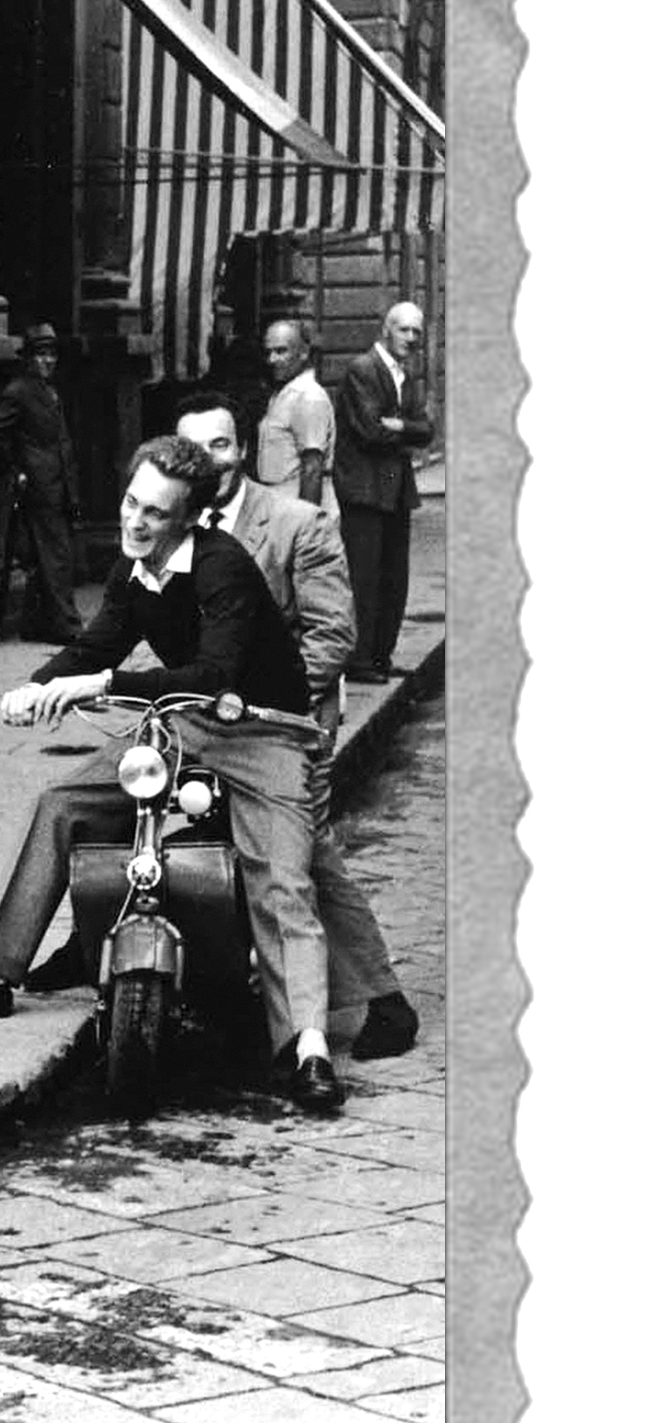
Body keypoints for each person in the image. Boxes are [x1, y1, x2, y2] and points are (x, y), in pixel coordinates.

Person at [0, 434, 345, 1113]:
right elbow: (100, 639)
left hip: (262, 732)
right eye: (132, 503)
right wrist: (39, 685)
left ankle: (307, 1048)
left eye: (155, 513)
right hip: (182, 726)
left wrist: (101, 684)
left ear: (189, 518)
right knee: (62, 803)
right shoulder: (133, 566)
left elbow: (211, 674)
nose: (135, 521)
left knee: (283, 881)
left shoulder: (221, 566)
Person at [174, 394, 419, 1061]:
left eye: (220, 445)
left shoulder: (295, 522)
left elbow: (332, 633)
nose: (208, 461)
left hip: (288, 719)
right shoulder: (175, 522)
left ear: (243, 450)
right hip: (210, 718)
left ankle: (385, 1003)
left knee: (304, 852)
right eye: (193, 449)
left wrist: (260, 703)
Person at [333, 301, 436, 683]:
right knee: (365, 578)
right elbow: (370, 431)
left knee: (394, 578)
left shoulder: (405, 374)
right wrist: (405, 429)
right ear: (386, 330)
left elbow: (427, 431)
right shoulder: (363, 369)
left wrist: (400, 426)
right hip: (363, 489)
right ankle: (360, 660)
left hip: (395, 490)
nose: (411, 338)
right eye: (404, 329)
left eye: (416, 332)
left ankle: (380, 657)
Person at [0, 321, 81, 642]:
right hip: (39, 485)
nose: (48, 361)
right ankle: (66, 625)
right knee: (55, 555)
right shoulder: (19, 391)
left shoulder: (49, 389)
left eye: (52, 354)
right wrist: (15, 468)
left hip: (58, 482)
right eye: (40, 355)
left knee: (44, 554)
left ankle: (37, 624)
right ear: (28, 358)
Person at [254, 318, 335, 506]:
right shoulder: (283, 392)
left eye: (281, 351)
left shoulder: (308, 396)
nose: (272, 359)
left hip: (295, 502)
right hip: (277, 500)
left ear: (304, 353)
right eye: (268, 352)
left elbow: (312, 468)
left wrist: (306, 519)